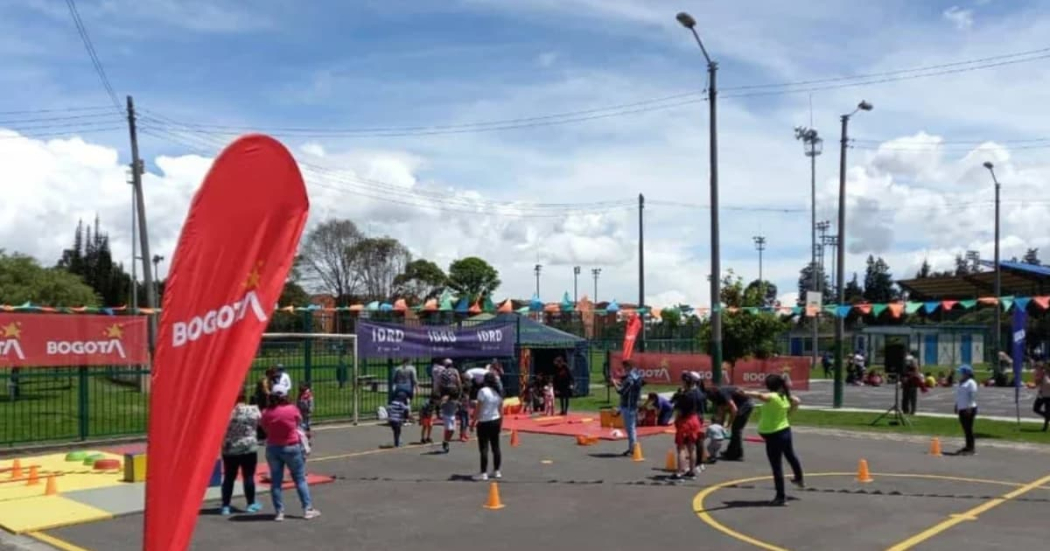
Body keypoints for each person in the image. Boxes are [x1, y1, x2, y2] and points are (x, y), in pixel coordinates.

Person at [260, 388, 320, 521]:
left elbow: (264, 428)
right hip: (291, 446)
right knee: (299, 478)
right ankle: (307, 509)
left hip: (273, 447)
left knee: (276, 481)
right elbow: (298, 423)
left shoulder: (266, 412)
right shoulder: (291, 409)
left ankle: (279, 512)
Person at [746, 374, 804, 507]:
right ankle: (799, 478)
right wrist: (791, 411)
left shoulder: (773, 397)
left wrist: (745, 392)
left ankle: (780, 496)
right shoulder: (784, 397)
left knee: (776, 466)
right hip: (784, 430)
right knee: (790, 455)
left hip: (774, 435)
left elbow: (761, 396)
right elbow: (795, 402)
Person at [220, 392, 263, 516]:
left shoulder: (226, 412)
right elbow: (261, 423)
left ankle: (225, 506)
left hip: (230, 448)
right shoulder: (253, 409)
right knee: (248, 476)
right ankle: (250, 503)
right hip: (248, 447)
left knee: (229, 477)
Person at [705, 384, 753, 461]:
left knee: (736, 429)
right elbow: (721, 412)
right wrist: (719, 427)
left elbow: (734, 409)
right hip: (739, 405)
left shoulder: (722, 393)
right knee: (735, 430)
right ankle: (730, 452)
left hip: (745, 405)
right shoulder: (717, 398)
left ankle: (739, 454)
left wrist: (728, 425)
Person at [670, 372, 704, 479]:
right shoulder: (697, 393)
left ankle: (680, 471)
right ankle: (692, 470)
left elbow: (679, 411)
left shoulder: (684, 396)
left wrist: (675, 421)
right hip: (695, 419)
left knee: (681, 448)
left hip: (685, 421)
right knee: (692, 446)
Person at [473, 372, 504, 481]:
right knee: (496, 447)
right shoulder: (498, 392)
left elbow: (478, 409)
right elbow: (501, 410)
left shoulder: (482, 391)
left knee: (484, 448)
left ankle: (483, 472)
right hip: (495, 420)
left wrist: (473, 422)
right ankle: (496, 470)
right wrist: (501, 423)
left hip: (484, 421)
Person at [614, 361, 645, 457]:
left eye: (624, 367)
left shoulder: (631, 378)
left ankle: (633, 449)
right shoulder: (637, 376)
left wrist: (615, 383)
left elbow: (622, 391)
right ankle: (632, 448)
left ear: (628, 366)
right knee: (631, 428)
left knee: (630, 429)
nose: (623, 369)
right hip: (633, 405)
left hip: (628, 406)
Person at [954, 364, 978, 455]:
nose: (960, 374)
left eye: (961, 372)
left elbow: (972, 396)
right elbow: (959, 395)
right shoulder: (962, 382)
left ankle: (971, 448)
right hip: (962, 408)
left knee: (969, 429)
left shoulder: (971, 382)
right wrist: (957, 405)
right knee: (965, 429)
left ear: (967, 373)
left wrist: (969, 407)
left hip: (969, 408)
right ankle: (967, 446)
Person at [1034, 364, 1050, 432]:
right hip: (1042, 395)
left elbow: (1048, 383)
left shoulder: (1046, 374)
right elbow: (1038, 383)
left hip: (1047, 396)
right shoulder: (1043, 373)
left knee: (1046, 411)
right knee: (1036, 409)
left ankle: (1045, 427)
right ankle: (1047, 416)